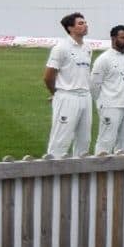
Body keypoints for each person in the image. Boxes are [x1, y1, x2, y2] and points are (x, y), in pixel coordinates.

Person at [44, 12, 93, 157]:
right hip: (67, 96)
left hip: (85, 96)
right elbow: (48, 77)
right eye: (80, 23)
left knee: (84, 140)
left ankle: (80, 175)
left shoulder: (87, 48)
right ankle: (52, 173)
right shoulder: (61, 48)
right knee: (61, 139)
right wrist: (57, 93)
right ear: (70, 28)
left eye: (85, 22)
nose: (85, 25)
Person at [90, 25, 124, 154]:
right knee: (106, 140)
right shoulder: (103, 59)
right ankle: (100, 170)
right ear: (113, 38)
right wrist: (101, 103)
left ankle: (121, 173)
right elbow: (94, 85)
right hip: (110, 106)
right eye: (123, 38)